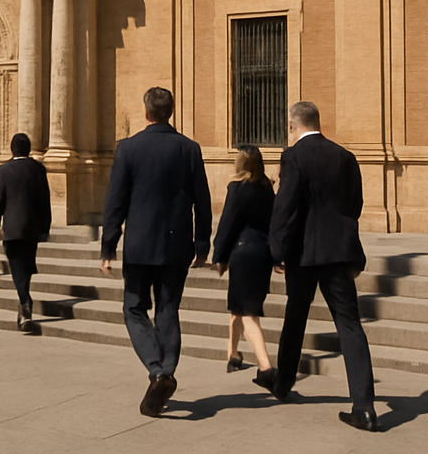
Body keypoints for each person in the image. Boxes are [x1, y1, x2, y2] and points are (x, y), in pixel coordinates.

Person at [263, 101, 378, 432]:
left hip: (304, 254)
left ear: (291, 125)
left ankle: (283, 382)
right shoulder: (345, 157)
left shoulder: (293, 156)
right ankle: (365, 406)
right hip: (339, 253)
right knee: (350, 325)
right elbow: (354, 205)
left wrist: (277, 250)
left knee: (295, 316)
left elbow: (286, 206)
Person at [99, 87, 213, 418]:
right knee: (168, 310)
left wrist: (108, 245)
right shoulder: (189, 149)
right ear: (171, 111)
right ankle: (168, 367)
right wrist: (203, 244)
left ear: (146, 112)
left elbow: (115, 201)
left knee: (134, 309)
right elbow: (201, 202)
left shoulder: (129, 148)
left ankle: (157, 368)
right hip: (177, 246)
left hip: (138, 246)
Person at [211, 144, 276, 379]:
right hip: (263, 254)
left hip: (243, 254)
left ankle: (266, 367)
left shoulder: (237, 188)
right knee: (239, 306)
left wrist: (219, 255)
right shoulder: (266, 187)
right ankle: (233, 353)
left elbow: (228, 223)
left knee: (248, 313)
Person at [0, 132, 51, 335]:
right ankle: (24, 303)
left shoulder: (4, 170)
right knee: (26, 264)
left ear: (12, 149)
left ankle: (25, 302)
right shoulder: (38, 169)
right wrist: (45, 226)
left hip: (13, 226)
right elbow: (45, 199)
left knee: (16, 267)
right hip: (32, 227)